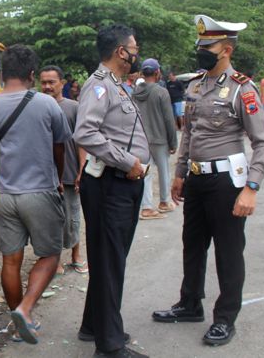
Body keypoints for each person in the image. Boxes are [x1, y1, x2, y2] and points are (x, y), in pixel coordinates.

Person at [152, 15, 264, 346]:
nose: (201, 51)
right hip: (196, 180)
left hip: (226, 182)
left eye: (209, 47)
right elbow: (189, 132)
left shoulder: (242, 89)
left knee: (228, 252)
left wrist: (251, 187)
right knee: (192, 246)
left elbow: (263, 141)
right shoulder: (195, 85)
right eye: (200, 46)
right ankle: (190, 304)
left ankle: (225, 318)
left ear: (227, 49)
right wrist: (179, 174)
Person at [0, 44, 71, 345]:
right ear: (32, 74)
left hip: (4, 195)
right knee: (51, 255)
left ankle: (16, 326)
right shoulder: (48, 104)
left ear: (4, 73)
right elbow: (60, 147)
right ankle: (26, 310)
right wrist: (57, 178)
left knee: (10, 261)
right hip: (40, 191)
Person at [74, 24, 150, 358]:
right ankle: (109, 346)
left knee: (109, 259)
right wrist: (127, 162)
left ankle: (95, 325)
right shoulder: (100, 85)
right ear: (122, 52)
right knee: (109, 262)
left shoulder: (119, 86)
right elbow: (86, 133)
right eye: (133, 48)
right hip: (110, 184)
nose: (137, 53)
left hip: (120, 184)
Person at [39, 65, 88, 275]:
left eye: (52, 82)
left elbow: (82, 141)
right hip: (45, 175)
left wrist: (81, 169)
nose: (48, 86)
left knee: (73, 216)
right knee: (50, 220)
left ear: (62, 83)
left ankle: (76, 255)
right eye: (44, 82)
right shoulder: (37, 107)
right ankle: (54, 259)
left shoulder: (74, 107)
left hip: (69, 172)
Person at [133, 58, 178, 220]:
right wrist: (173, 142)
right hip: (160, 138)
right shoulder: (161, 92)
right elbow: (168, 119)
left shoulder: (135, 92)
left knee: (145, 172)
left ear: (142, 74)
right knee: (163, 170)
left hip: (141, 139)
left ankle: (146, 207)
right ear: (157, 72)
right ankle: (164, 201)